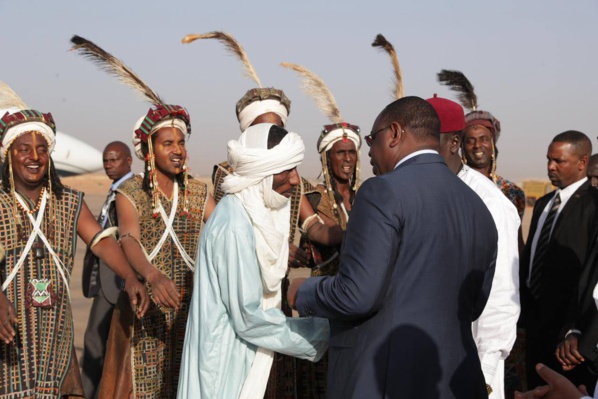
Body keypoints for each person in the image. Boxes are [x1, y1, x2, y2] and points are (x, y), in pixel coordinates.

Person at [290, 96, 498, 399]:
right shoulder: (479, 206)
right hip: (456, 381)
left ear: (395, 133)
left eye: (372, 140)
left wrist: (304, 291)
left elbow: (357, 295)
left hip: (385, 379)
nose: (369, 153)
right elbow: (474, 304)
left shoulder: (381, 191)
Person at [0, 87, 148, 398]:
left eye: (42, 149)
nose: (35, 157)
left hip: (56, 331)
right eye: (24, 149)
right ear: (9, 154)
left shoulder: (68, 201)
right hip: (8, 331)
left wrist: (131, 276)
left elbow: (101, 242)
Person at [177, 123, 329, 399]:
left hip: (245, 355)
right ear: (263, 172)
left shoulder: (249, 212)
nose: (296, 180)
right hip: (226, 367)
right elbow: (249, 318)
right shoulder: (234, 224)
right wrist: (321, 333)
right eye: (288, 169)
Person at [98, 104, 215, 399]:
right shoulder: (132, 193)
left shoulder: (199, 193)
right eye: (168, 143)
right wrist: (152, 275)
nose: (178, 150)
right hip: (145, 311)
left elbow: (226, 231)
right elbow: (128, 238)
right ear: (149, 149)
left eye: (181, 142)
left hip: (190, 310)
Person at [427, 94, 521, 398]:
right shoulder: (421, 193)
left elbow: (501, 300)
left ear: (452, 144)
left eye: (427, 143)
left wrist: (484, 374)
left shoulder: (492, 204)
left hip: (471, 368)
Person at [519, 131, 598, 390]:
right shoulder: (543, 204)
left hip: (569, 340)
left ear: (582, 162)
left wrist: (575, 329)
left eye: (559, 161)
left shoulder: (593, 205)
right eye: (548, 160)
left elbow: (590, 275)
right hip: (535, 327)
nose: (550, 167)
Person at [80, 141, 133, 399]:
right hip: (104, 279)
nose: (108, 165)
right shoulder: (114, 191)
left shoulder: (131, 192)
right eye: (106, 161)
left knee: (96, 342)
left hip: (117, 280)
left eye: (114, 160)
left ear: (128, 161)